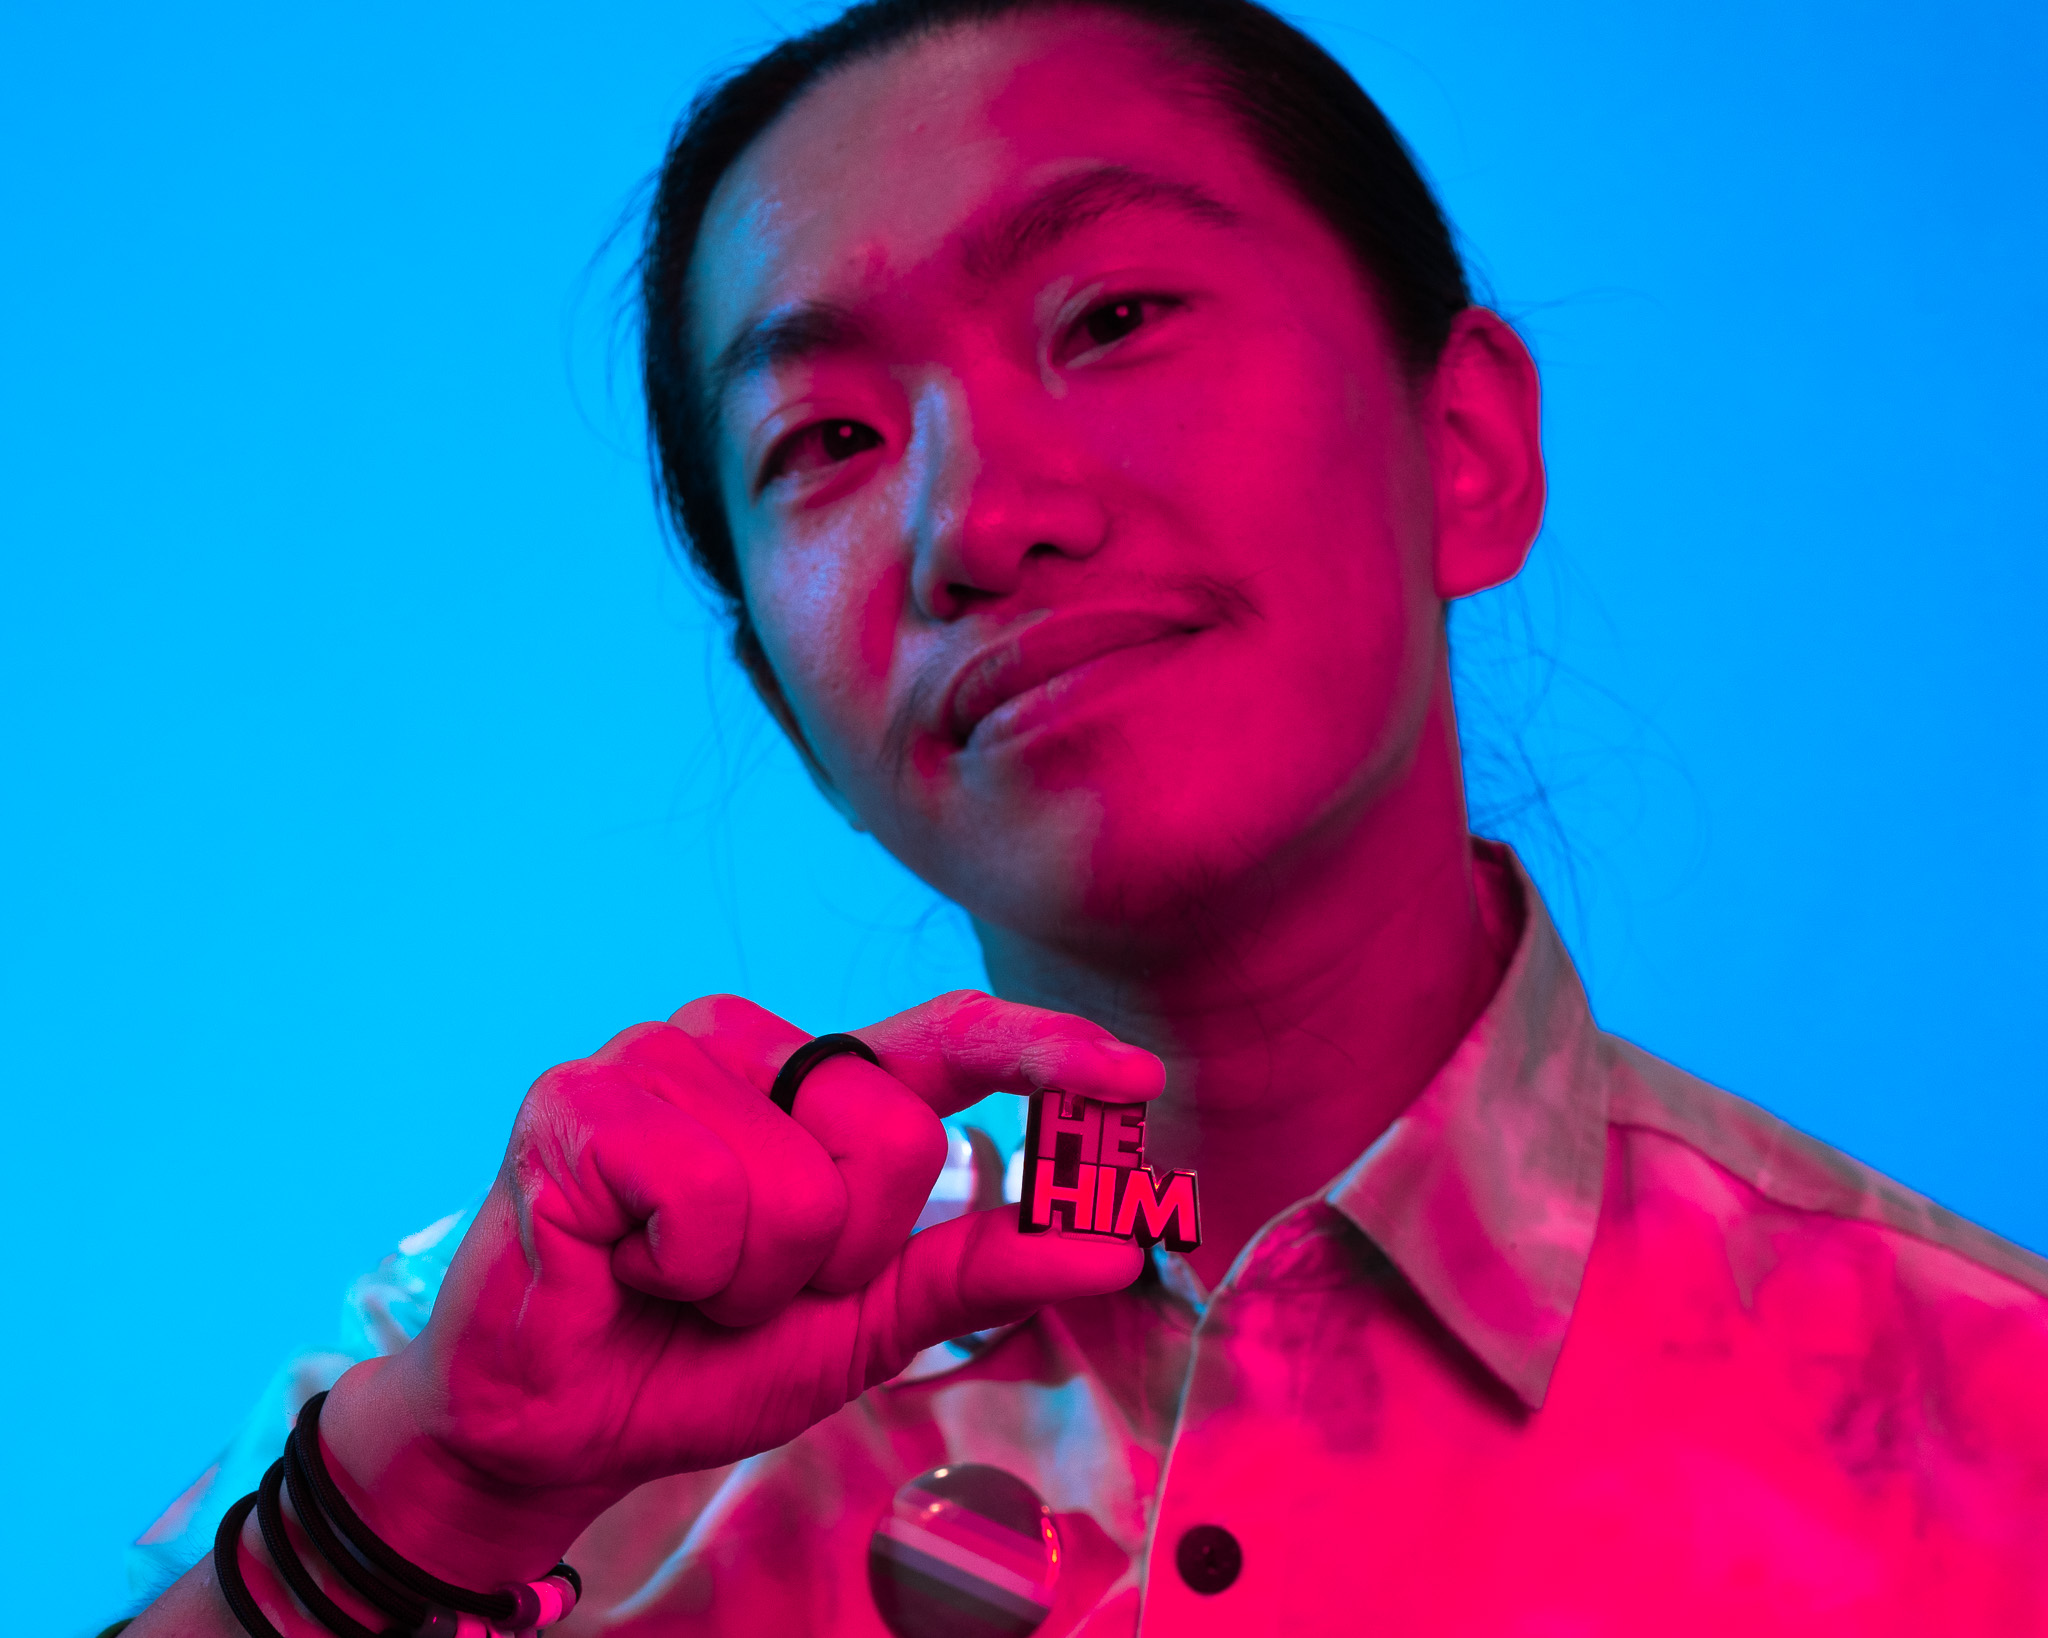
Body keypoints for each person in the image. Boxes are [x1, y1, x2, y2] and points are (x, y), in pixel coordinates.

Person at [120, 0, 2048, 1632]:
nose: (978, 519)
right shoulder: (488, 1373)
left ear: (1462, 450)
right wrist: (436, 1491)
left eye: (1113, 315)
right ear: (793, 712)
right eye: (830, 443)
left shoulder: (1989, 1422)